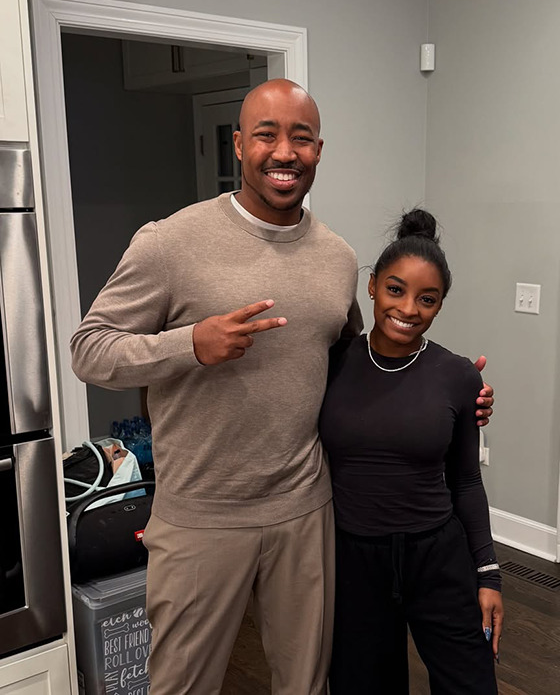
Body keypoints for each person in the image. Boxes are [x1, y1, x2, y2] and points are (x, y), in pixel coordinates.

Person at [70, 79, 494, 695]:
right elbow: (90, 349)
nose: (284, 151)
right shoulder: (170, 242)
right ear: (239, 144)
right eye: (266, 134)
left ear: (319, 150)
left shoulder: (337, 258)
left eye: (301, 137)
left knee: (307, 684)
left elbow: (361, 358)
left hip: (307, 512)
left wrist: (452, 395)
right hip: (200, 516)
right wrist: (188, 345)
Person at [320, 208, 503, 695]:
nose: (408, 308)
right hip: (352, 561)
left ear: (440, 305)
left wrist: (488, 574)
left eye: (427, 298)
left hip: (437, 558)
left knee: (472, 684)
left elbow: (465, 480)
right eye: (396, 290)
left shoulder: (459, 376)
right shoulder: (331, 364)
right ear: (372, 286)